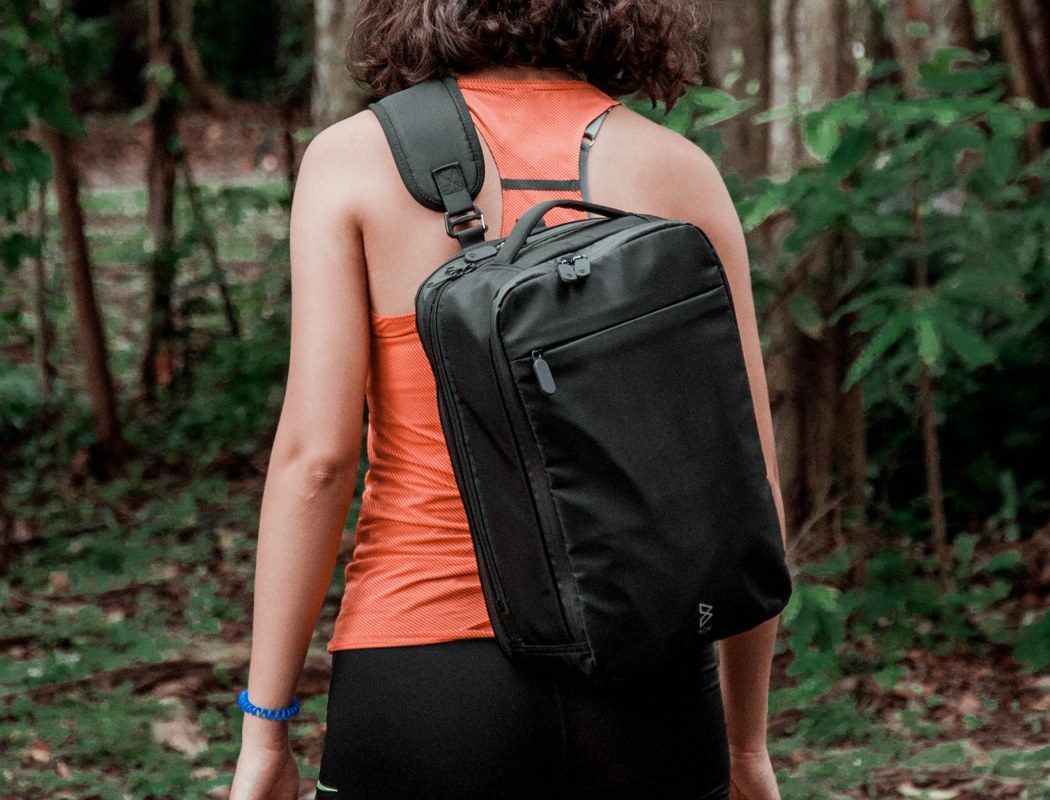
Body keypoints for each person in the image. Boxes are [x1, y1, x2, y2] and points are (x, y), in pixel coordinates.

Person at [229, 1, 788, 798]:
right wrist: (745, 742)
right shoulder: (677, 170)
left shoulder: (353, 161)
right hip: (648, 681)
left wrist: (265, 728)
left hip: (424, 677)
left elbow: (317, 461)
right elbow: (744, 482)